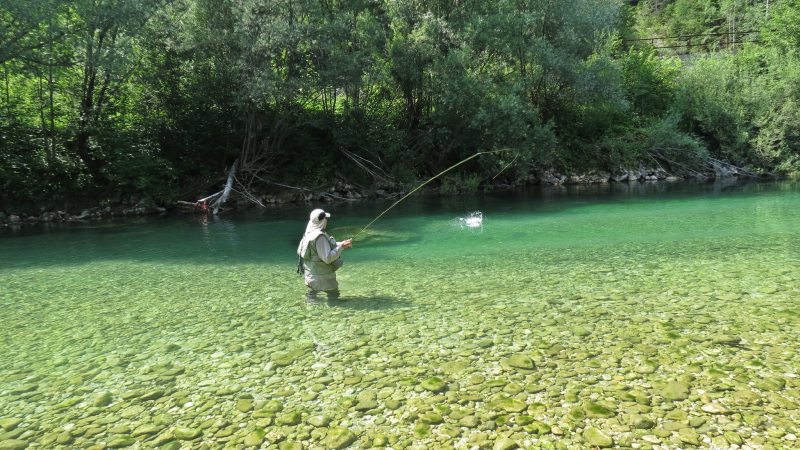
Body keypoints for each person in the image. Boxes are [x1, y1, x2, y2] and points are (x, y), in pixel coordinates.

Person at [296, 208, 352, 300]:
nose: (327, 221)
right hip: (323, 278)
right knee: (333, 296)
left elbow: (319, 249)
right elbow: (327, 258)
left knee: (312, 298)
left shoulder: (309, 233)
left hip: (310, 275)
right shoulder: (320, 236)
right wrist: (341, 247)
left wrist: (341, 244)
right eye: (326, 219)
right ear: (322, 221)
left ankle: (310, 313)